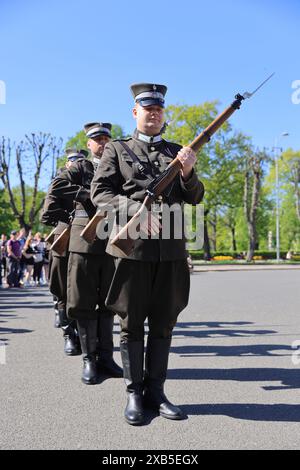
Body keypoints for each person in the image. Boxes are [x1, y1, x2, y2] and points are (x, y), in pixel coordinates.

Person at [91, 83, 204, 425]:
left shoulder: (177, 151)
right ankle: (134, 393)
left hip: (170, 252)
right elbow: (100, 194)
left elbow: (195, 196)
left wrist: (187, 171)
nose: (154, 114)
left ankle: (157, 391)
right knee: (131, 324)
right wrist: (134, 212)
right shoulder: (118, 150)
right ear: (135, 112)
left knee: (164, 324)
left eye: (159, 109)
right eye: (147, 108)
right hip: (133, 252)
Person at [50, 139, 122, 383]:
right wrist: (88, 195)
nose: (102, 144)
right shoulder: (81, 168)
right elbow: (58, 185)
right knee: (83, 301)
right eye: (97, 140)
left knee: (108, 303)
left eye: (105, 139)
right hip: (83, 241)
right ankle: (89, 359)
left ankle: (106, 357)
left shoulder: (119, 164)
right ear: (89, 144)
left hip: (112, 239)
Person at [41, 163, 81, 354]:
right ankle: (69, 335)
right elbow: (47, 213)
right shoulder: (60, 183)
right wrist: (68, 216)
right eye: (73, 161)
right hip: (65, 235)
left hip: (90, 237)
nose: (76, 164)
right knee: (63, 289)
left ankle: (88, 336)